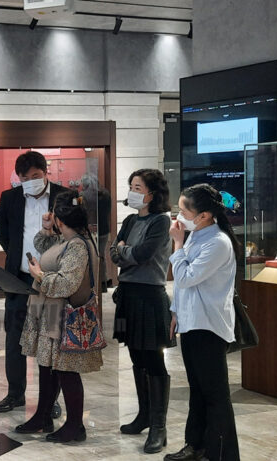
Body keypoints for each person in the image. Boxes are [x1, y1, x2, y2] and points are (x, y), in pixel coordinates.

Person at [16, 189, 103, 443]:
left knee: (66, 372)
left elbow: (67, 284)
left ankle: (75, 425)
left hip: (64, 317)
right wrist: (47, 228)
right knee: (47, 367)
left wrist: (39, 276)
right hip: (52, 314)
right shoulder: (65, 239)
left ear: (60, 219)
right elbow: (44, 246)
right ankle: (43, 416)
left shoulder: (77, 246)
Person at [164, 184, 240, 461]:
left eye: (184, 211)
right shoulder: (196, 235)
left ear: (204, 215)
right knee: (197, 389)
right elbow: (183, 287)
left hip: (209, 326)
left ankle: (222, 454)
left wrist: (177, 244)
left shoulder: (218, 242)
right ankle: (195, 445)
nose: (179, 216)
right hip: (191, 322)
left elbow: (185, 277)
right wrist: (175, 311)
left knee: (215, 394)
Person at [0, 151, 68, 417]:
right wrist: (21, 259)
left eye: (35, 176)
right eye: (24, 178)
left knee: (50, 338)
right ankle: (15, 394)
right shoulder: (9, 198)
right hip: (20, 278)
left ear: (46, 172)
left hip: (51, 279)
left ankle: (51, 398)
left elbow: (72, 234)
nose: (30, 182)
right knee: (14, 337)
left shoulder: (64, 196)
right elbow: (4, 235)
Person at [109, 169, 175, 454]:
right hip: (128, 295)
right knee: (136, 356)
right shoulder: (131, 220)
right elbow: (113, 253)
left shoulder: (161, 221)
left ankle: (159, 427)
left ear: (152, 193)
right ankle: (144, 415)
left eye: (137, 187)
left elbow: (142, 254)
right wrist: (124, 252)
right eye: (131, 186)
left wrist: (125, 251)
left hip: (150, 296)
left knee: (154, 360)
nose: (132, 192)